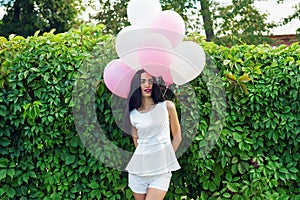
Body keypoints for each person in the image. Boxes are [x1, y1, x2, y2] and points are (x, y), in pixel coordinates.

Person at [124, 69, 182, 200]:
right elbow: (137, 143)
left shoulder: (167, 106)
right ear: (137, 85)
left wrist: (167, 158)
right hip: (138, 171)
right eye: (143, 81)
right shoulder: (133, 115)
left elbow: (178, 137)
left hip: (161, 171)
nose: (147, 85)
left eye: (151, 81)